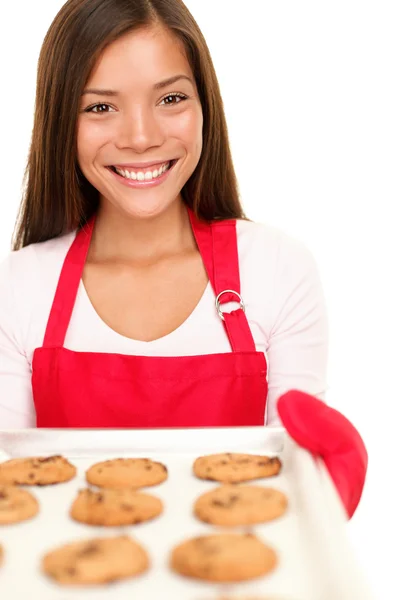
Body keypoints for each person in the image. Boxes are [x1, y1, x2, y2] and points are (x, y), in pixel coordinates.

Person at [0, 0, 366, 517]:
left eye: (170, 98)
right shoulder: (18, 288)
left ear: (204, 106)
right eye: (101, 107)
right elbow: (10, 501)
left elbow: (289, 484)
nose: (142, 137)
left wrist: (317, 501)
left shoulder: (277, 271)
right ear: (62, 121)